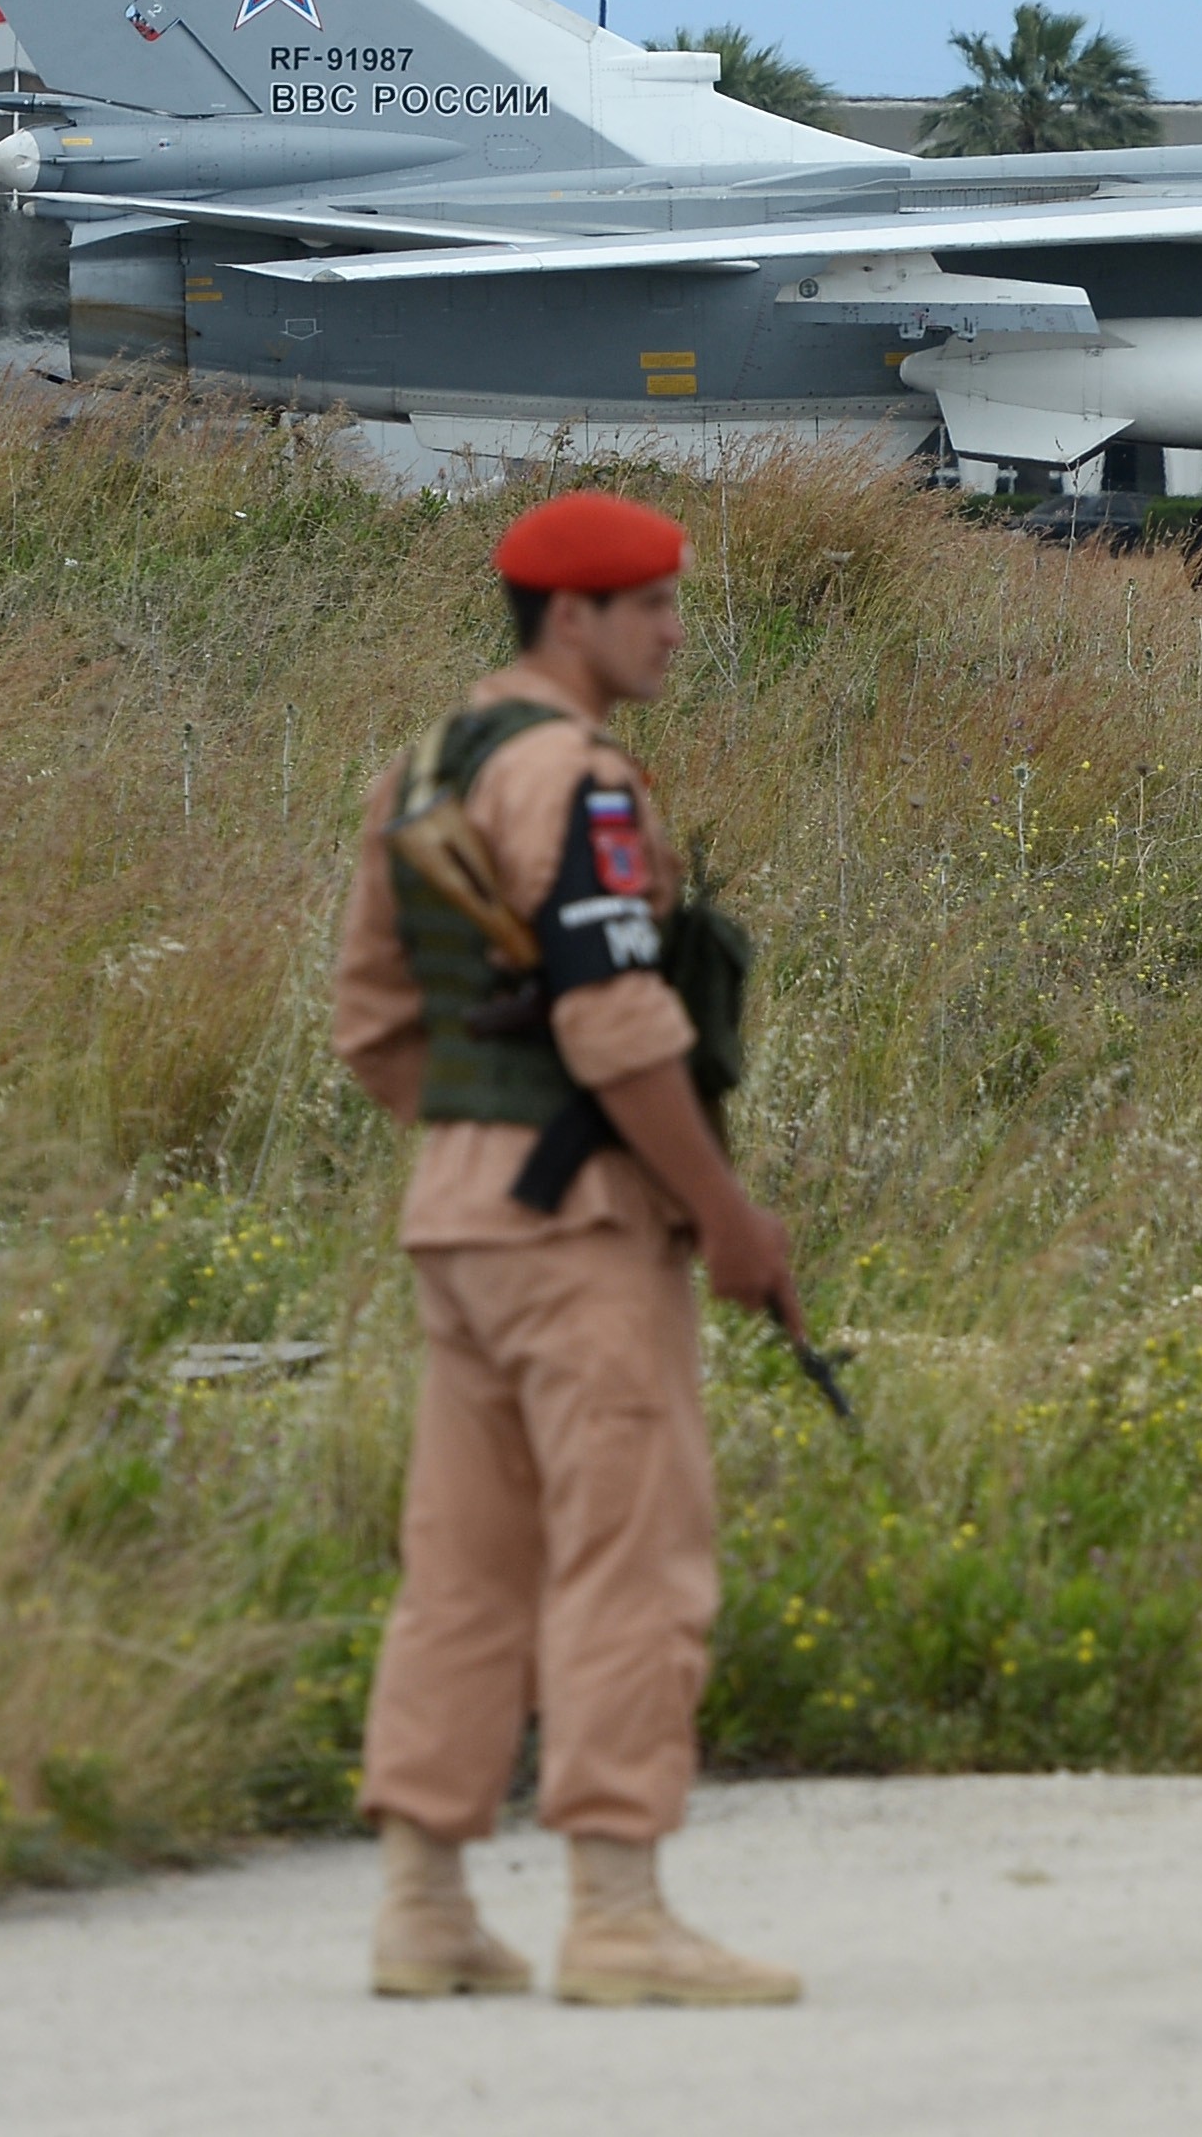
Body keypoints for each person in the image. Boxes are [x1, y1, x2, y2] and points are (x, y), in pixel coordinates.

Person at [334, 486, 802, 2008]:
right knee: (629, 1555)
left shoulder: (426, 765)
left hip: (459, 1214)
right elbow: (611, 1015)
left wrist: (482, 1143)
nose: (674, 629)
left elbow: (376, 1025)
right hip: (581, 1225)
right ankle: (615, 1909)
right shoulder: (577, 779)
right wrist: (719, 1213)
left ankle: (424, 1904)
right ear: (572, 617)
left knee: (463, 1564)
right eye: (651, 604)